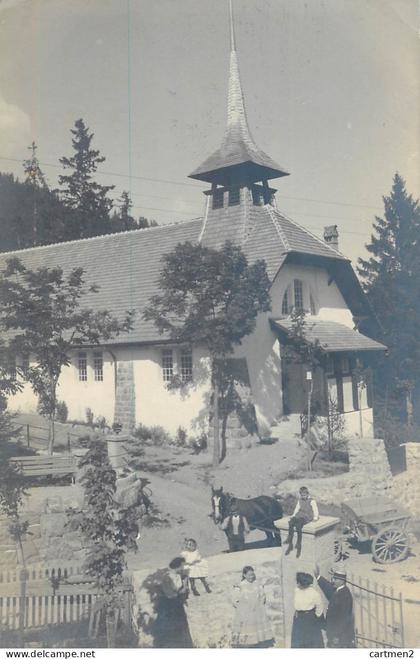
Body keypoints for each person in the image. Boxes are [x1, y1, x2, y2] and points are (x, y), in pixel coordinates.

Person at [152, 557, 193, 648]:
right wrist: (184, 585)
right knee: (173, 628)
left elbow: (181, 592)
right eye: (182, 566)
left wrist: (184, 583)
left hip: (175, 605)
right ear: (177, 566)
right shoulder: (168, 577)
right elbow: (175, 593)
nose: (183, 568)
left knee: (181, 628)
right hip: (170, 606)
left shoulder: (176, 576)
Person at [314, 564, 356, 648]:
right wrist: (318, 577)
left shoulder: (345, 596)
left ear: (342, 581)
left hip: (339, 637)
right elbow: (328, 588)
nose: (333, 581)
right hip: (333, 633)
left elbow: (343, 619)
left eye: (335, 579)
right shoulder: (338, 590)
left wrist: (337, 636)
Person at [232, 566, 274, 648]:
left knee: (258, 631)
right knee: (248, 632)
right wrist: (243, 609)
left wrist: (259, 606)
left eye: (252, 575)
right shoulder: (240, 586)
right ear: (244, 575)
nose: (251, 577)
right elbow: (235, 600)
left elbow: (262, 596)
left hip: (258, 612)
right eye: (249, 575)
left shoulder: (257, 584)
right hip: (246, 614)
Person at [291, 572, 324, 648]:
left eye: (298, 582)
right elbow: (297, 604)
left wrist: (315, 617)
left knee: (310, 642)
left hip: (309, 619)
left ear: (303, 583)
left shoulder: (314, 593)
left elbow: (320, 607)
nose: (297, 584)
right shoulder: (297, 590)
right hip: (298, 619)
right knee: (298, 641)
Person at [285, 486, 319, 558]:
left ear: (307, 494)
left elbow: (315, 509)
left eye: (305, 495)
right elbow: (297, 508)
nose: (303, 496)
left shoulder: (312, 501)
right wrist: (293, 515)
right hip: (300, 514)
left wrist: (315, 517)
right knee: (291, 522)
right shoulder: (300, 500)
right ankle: (290, 542)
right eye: (302, 495)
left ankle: (298, 544)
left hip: (306, 516)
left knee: (298, 526)